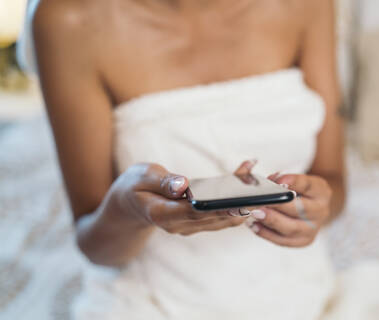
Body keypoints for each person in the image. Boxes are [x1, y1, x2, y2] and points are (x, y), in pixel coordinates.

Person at [30, 0, 345, 318]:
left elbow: (334, 182)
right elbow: (97, 248)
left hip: (298, 297)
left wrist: (313, 209)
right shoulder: (68, 19)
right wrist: (129, 209)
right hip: (149, 306)